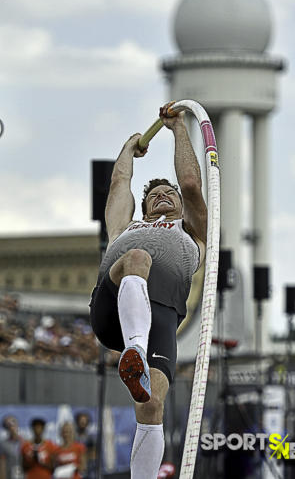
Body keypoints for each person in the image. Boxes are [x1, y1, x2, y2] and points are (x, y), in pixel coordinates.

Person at [89, 101, 207, 479]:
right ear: (142, 208)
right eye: (153, 195)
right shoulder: (126, 229)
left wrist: (178, 129)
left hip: (163, 319)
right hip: (113, 311)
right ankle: (134, 354)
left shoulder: (195, 235)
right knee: (137, 256)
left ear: (181, 207)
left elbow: (189, 184)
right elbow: (119, 184)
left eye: (167, 194)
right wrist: (129, 149)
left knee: (152, 406)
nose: (161, 196)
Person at [74, 413, 95, 479]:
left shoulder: (90, 437)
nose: (82, 423)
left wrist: (84, 458)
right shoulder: (73, 437)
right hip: (75, 467)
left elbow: (93, 454)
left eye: (84, 421)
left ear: (87, 423)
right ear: (77, 422)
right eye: (81, 421)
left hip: (88, 469)